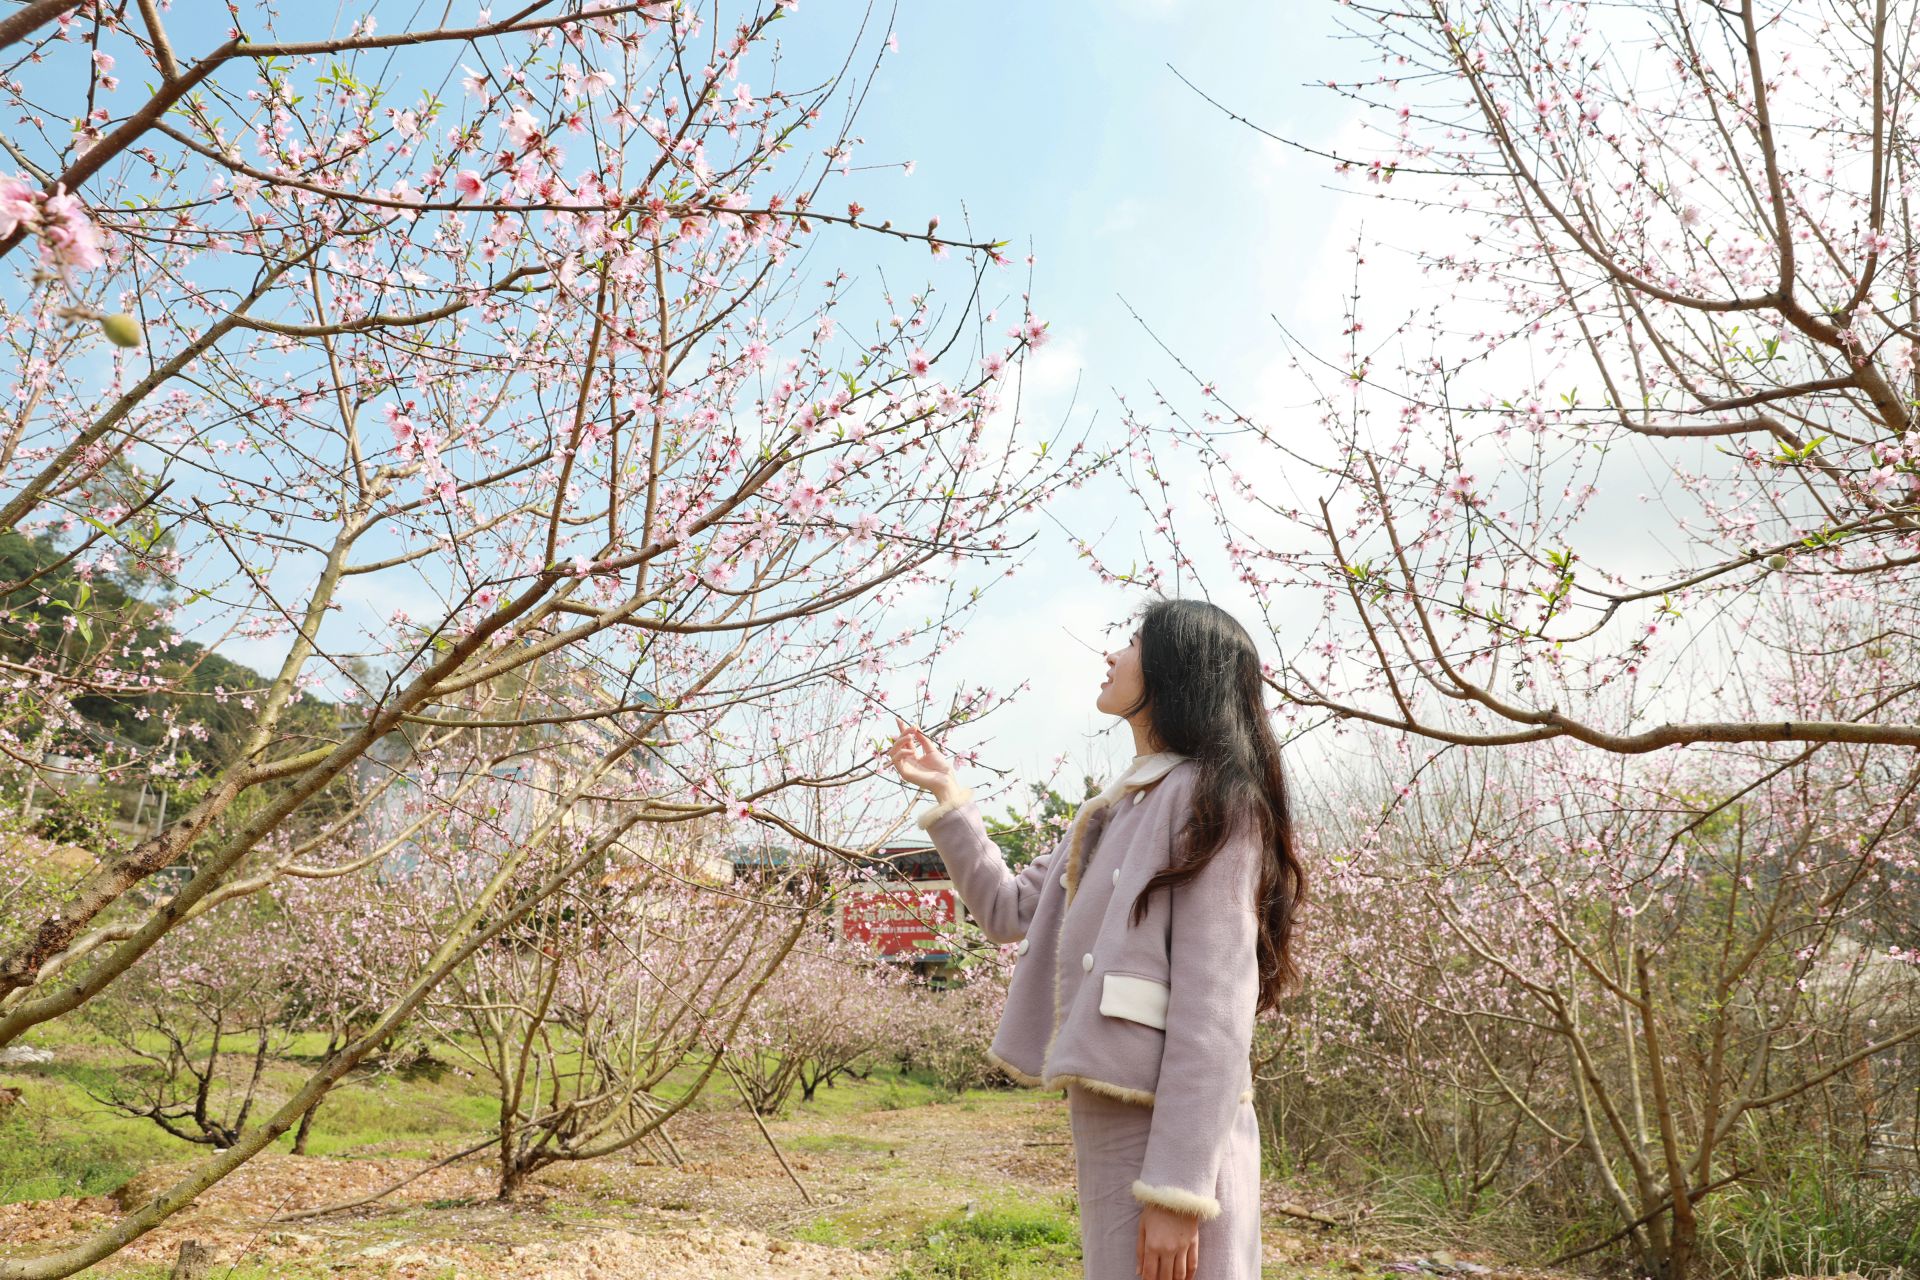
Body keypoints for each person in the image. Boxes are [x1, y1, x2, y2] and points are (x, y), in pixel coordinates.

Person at [886, 597, 1304, 1280]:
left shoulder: (1214, 800)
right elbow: (1005, 908)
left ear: (1177, 668)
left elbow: (1216, 1005)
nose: (1112, 655)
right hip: (1112, 1115)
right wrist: (947, 793)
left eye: (1133, 642)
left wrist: (1180, 1189)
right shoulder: (1108, 811)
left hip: (1179, 1134)